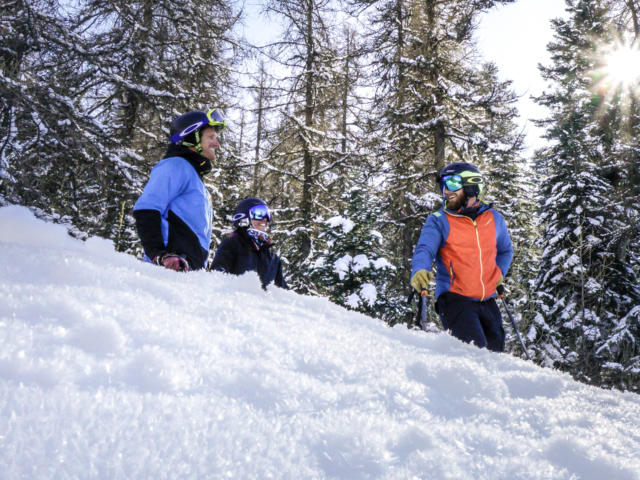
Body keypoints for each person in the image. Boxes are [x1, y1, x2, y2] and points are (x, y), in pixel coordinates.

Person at [410, 161, 513, 352]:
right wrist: (420, 269)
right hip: (454, 298)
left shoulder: (494, 218)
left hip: (487, 299)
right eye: (443, 185)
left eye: (452, 183)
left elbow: (506, 250)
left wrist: (499, 272)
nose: (446, 191)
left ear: (471, 185)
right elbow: (425, 249)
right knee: (475, 350)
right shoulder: (439, 220)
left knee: (496, 353)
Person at [133, 109, 225, 271]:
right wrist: (160, 254)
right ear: (192, 137)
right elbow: (146, 210)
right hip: (168, 270)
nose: (216, 144)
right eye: (211, 137)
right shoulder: (175, 165)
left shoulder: (192, 175)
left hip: (186, 272)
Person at [210, 197, 288, 289]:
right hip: (235, 301)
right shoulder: (232, 245)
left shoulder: (273, 259)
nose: (265, 219)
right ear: (244, 217)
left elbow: (283, 292)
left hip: (263, 302)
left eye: (268, 215)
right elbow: (217, 276)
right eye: (260, 213)